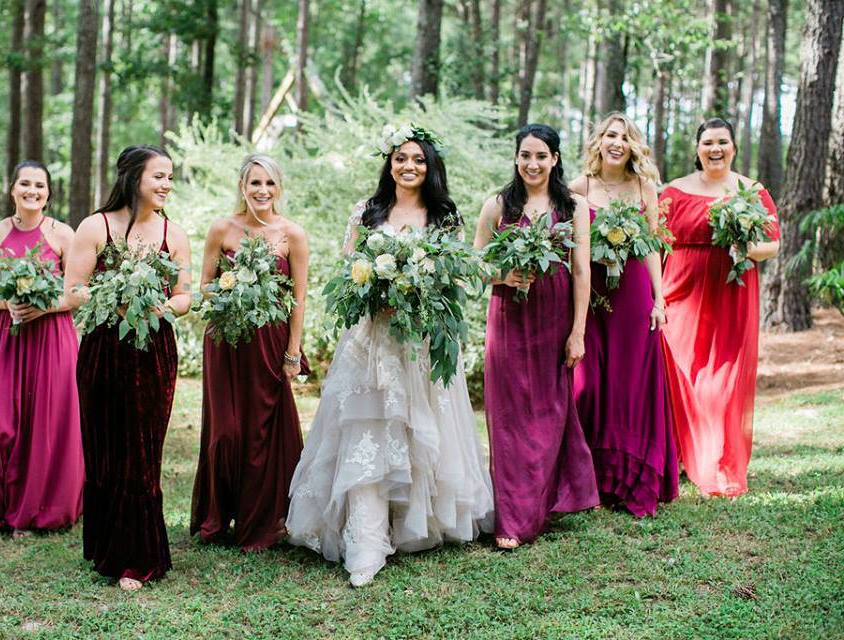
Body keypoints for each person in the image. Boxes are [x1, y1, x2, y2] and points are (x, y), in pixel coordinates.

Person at [286, 125, 493, 587]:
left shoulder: (445, 216)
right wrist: (371, 290)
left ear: (430, 167)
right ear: (389, 162)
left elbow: (456, 278)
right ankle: (366, 539)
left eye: (418, 160)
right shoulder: (367, 210)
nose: (409, 166)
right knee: (369, 427)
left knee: (420, 427)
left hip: (422, 339)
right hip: (372, 338)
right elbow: (347, 267)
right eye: (401, 158)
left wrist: (422, 293)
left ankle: (412, 521)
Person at [64, 145, 193, 590]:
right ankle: (105, 544)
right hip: (104, 349)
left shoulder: (173, 234)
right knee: (106, 448)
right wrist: (114, 299)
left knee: (142, 451)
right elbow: (74, 289)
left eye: (170, 177)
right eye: (159, 176)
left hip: (154, 351)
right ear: (135, 176)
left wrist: (165, 307)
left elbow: (185, 296)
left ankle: (137, 557)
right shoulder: (94, 226)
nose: (166, 185)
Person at [473, 123, 599, 549]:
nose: (532, 163)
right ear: (516, 158)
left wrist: (578, 331)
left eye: (541, 156)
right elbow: (474, 266)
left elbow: (581, 269)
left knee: (550, 411)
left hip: (555, 316)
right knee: (508, 416)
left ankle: (540, 501)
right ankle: (511, 518)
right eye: (525, 155)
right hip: (509, 317)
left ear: (555, 159)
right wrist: (504, 275)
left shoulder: (574, 207)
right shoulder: (497, 206)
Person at [190, 154, 309, 551]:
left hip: (269, 343)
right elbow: (203, 287)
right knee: (226, 432)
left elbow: (298, 300)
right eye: (255, 182)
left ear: (279, 188)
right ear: (242, 185)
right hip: (225, 341)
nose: (262, 191)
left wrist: (293, 353)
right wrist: (232, 287)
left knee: (263, 431)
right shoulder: (222, 228)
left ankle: (266, 519)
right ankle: (218, 514)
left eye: (270, 183)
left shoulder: (292, 234)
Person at [660, 117, 780, 497]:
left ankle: (720, 463)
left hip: (732, 294)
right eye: (708, 142)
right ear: (697, 149)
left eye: (722, 142)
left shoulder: (751, 190)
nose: (715, 149)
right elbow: (654, 243)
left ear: (734, 147)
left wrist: (743, 248)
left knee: (724, 382)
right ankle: (677, 456)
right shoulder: (674, 192)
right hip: (680, 293)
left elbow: (772, 243)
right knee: (680, 372)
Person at [568, 112, 678, 516]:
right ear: (598, 141)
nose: (617, 142)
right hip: (593, 299)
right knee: (589, 384)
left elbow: (651, 244)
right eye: (610, 135)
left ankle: (630, 480)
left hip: (631, 296)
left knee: (629, 384)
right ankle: (589, 480)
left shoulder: (643, 187)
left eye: (625, 137)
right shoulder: (579, 188)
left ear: (633, 146)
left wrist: (659, 299)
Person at [0, 160, 84, 538]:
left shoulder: (64, 235)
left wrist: (42, 306)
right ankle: (5, 505)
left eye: (39, 185)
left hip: (52, 337)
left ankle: (40, 510)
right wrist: (6, 302)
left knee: (46, 423)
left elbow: (78, 293)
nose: (32, 191)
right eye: (25, 184)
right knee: (1, 420)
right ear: (12, 189)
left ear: (49, 193)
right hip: (6, 336)